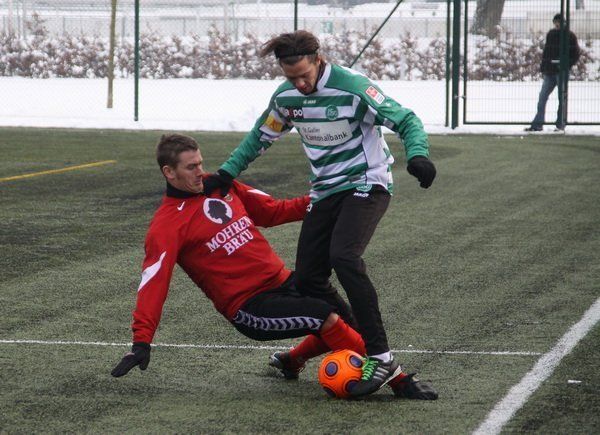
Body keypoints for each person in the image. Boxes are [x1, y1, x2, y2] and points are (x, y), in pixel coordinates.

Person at [110, 134, 438, 400]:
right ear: (169, 172)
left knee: (347, 320)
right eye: (191, 167)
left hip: (283, 282)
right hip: (250, 308)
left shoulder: (220, 186)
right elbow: (153, 283)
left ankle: (290, 361)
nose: (200, 172)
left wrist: (326, 200)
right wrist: (142, 341)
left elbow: (271, 211)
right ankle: (398, 380)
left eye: (200, 163)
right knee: (326, 318)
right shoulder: (166, 226)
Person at [202, 30, 437, 398]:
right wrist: (226, 173)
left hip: (366, 183)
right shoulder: (286, 99)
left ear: (318, 59)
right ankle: (357, 344)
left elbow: (406, 120)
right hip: (324, 192)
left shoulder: (353, 89)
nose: (299, 83)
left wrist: (418, 155)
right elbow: (261, 136)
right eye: (290, 76)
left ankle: (380, 357)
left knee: (344, 257)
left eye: (304, 75)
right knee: (309, 278)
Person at [525, 13, 580, 132]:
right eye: (556, 22)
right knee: (542, 97)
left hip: (561, 72)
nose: (557, 25)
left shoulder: (570, 36)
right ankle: (538, 124)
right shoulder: (551, 34)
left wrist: (566, 64)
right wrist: (544, 66)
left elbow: (575, 54)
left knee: (561, 98)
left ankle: (560, 124)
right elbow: (547, 52)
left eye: (559, 22)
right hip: (550, 71)